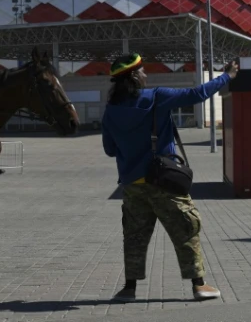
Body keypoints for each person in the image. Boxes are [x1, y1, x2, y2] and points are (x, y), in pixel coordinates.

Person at [101, 53, 239, 302]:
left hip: (132, 184)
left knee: (134, 236)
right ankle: (199, 286)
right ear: (134, 76)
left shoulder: (111, 111)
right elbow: (197, 94)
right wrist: (226, 76)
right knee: (186, 229)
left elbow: (110, 149)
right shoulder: (157, 97)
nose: (145, 75)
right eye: (141, 71)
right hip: (163, 181)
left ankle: (129, 289)